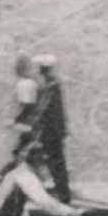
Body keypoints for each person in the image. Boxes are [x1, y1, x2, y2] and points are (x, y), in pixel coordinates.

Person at [30, 55, 73, 203]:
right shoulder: (54, 83)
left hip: (49, 131)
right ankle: (61, 191)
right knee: (54, 161)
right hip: (55, 129)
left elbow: (43, 109)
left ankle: (62, 193)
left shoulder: (49, 85)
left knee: (53, 161)